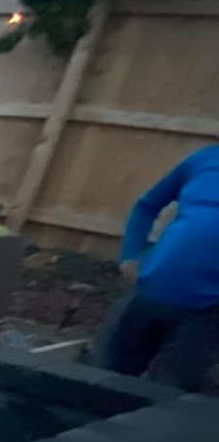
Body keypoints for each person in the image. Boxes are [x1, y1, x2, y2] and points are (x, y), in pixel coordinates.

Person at [92, 145, 219, 391]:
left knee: (166, 395)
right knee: (102, 380)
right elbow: (146, 206)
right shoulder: (204, 160)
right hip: (148, 289)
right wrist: (130, 254)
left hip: (207, 311)